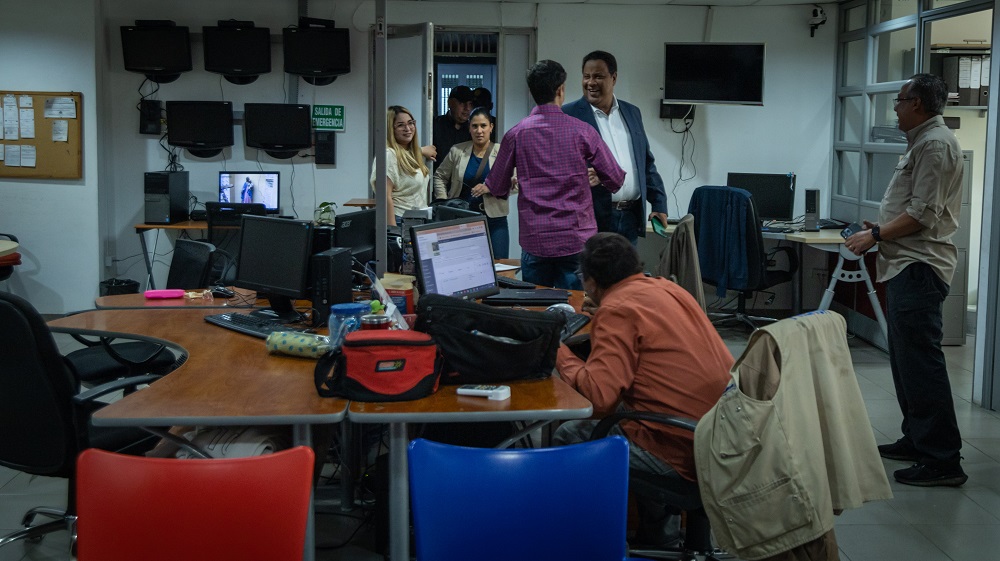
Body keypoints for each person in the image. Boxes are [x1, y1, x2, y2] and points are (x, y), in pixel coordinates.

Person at [554, 232, 733, 545]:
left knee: (570, 433)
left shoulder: (618, 310)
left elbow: (598, 401)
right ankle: (660, 538)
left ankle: (587, 544)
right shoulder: (668, 289)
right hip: (724, 437)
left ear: (591, 282)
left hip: (683, 452)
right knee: (636, 413)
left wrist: (556, 349)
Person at [845, 73, 966, 487]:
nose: (895, 108)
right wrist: (881, 228)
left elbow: (923, 214)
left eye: (899, 100)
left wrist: (876, 234)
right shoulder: (922, 142)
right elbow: (912, 207)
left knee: (921, 366)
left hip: (919, 266)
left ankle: (943, 460)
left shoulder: (935, 144)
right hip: (904, 264)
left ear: (916, 103)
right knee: (906, 363)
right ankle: (917, 439)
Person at [486, 59, 625, 290]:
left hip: (535, 240)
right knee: (576, 306)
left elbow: (497, 187)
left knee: (536, 308)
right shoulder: (583, 131)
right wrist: (597, 176)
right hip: (575, 240)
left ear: (532, 92)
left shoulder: (516, 134)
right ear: (560, 90)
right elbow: (616, 179)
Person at [563, 50, 669, 245]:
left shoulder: (632, 113)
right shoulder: (568, 115)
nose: (590, 83)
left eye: (598, 76)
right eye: (586, 76)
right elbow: (559, 167)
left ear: (614, 78)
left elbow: (646, 163)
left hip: (630, 218)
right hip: (591, 219)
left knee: (628, 267)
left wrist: (659, 204)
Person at [432, 107, 511, 258]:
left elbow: (516, 183)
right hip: (462, 219)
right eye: (475, 126)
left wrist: (490, 187)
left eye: (483, 126)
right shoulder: (457, 151)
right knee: (464, 262)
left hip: (495, 219)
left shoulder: (502, 152)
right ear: (469, 128)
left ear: (491, 127)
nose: (479, 131)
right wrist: (443, 203)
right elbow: (439, 176)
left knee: (500, 264)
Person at [370, 106, 436, 227]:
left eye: (410, 123)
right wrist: (392, 230)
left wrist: (420, 151)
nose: (408, 128)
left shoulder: (412, 154)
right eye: (400, 125)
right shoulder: (388, 155)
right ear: (391, 129)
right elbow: (385, 197)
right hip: (400, 220)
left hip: (419, 219)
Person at [432, 85, 475, 161]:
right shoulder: (435, 125)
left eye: (470, 104)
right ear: (450, 103)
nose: (467, 108)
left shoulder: (474, 130)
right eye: (462, 103)